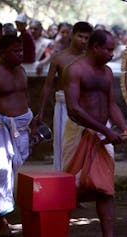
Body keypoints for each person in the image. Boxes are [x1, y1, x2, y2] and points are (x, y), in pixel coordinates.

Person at [61, 30, 127, 237]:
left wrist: (123, 127)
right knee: (70, 187)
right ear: (95, 47)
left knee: (105, 189)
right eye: (108, 49)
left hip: (102, 133)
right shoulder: (74, 70)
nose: (111, 54)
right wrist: (106, 130)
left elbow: (111, 105)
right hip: (79, 133)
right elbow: (74, 109)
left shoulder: (106, 72)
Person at [0, 35, 35, 236]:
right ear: (3, 53)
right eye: (15, 51)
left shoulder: (22, 71)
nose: (20, 55)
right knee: (1, 168)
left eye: (21, 51)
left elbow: (24, 96)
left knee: (13, 165)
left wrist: (33, 120)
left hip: (20, 125)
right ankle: (0, 217)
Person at [36, 22, 93, 170]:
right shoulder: (59, 58)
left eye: (86, 38)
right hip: (63, 105)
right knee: (62, 144)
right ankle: (61, 182)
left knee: (82, 144)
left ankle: (79, 184)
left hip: (85, 107)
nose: (83, 40)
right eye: (80, 36)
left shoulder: (90, 58)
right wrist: (40, 112)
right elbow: (47, 85)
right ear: (72, 35)